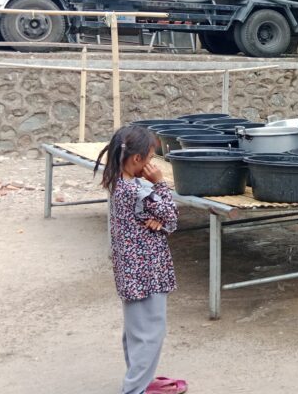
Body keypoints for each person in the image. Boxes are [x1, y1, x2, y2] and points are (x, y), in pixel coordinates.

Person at [93, 126, 185, 394]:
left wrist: (158, 218)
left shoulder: (118, 183)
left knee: (136, 332)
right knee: (151, 334)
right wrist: (160, 184)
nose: (152, 164)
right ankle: (134, 389)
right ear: (136, 160)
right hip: (148, 273)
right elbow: (172, 217)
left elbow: (161, 218)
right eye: (150, 158)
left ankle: (141, 382)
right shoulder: (141, 191)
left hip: (130, 272)